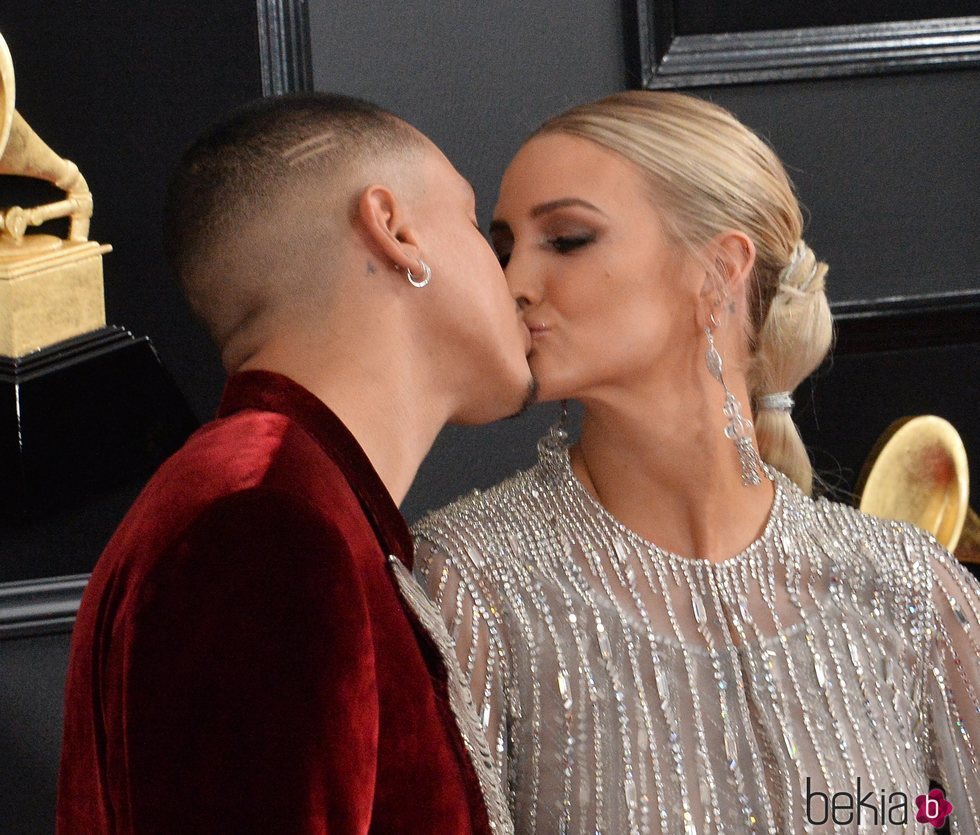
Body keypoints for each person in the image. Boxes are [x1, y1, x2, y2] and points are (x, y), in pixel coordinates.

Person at [413, 90, 980, 834]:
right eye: (506, 246)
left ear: (718, 271)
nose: (514, 283)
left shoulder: (906, 590)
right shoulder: (472, 581)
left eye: (568, 238)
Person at [57, 92, 528, 834]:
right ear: (394, 229)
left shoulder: (277, 501)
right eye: (473, 222)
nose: (518, 281)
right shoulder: (262, 524)